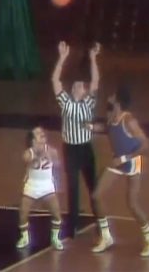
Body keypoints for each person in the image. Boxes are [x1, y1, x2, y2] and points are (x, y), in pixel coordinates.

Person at [51, 41, 112, 242]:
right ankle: (73, 225)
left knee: (92, 185)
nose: (77, 85)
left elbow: (96, 81)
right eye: (76, 84)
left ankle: (100, 223)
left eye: (81, 85)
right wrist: (62, 58)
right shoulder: (66, 103)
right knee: (73, 187)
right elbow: (55, 80)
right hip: (70, 149)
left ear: (84, 91)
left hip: (85, 149)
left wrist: (94, 59)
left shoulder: (89, 102)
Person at [87, 83, 149, 256]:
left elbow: (145, 145)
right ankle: (106, 236)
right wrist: (89, 127)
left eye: (112, 94)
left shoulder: (129, 120)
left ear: (117, 99)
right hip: (117, 162)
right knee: (96, 196)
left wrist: (125, 158)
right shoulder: (112, 116)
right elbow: (107, 128)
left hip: (134, 161)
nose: (109, 96)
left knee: (132, 202)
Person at [16, 126, 64, 251]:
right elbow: (25, 159)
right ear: (33, 140)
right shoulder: (28, 152)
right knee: (23, 214)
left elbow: (58, 164)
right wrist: (37, 155)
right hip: (32, 185)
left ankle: (55, 238)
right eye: (38, 133)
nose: (42, 134)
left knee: (57, 214)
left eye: (42, 132)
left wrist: (51, 157)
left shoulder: (52, 151)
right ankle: (25, 237)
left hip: (47, 185)